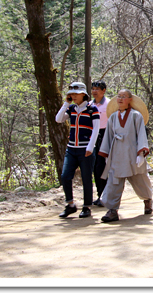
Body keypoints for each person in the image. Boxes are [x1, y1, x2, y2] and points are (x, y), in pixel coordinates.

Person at [98, 89, 153, 222]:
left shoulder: (136, 116)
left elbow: (141, 134)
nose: (120, 99)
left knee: (140, 180)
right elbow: (108, 137)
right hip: (117, 155)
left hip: (132, 154)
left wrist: (141, 154)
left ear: (129, 100)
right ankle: (112, 210)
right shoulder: (112, 118)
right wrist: (106, 156)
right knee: (113, 182)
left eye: (124, 97)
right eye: (119, 96)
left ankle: (147, 199)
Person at [56, 82, 100, 218]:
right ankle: (70, 204)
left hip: (85, 149)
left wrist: (90, 147)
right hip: (71, 149)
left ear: (83, 95)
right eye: (71, 94)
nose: (73, 97)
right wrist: (66, 104)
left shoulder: (92, 109)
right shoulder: (72, 109)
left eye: (76, 94)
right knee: (65, 176)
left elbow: (96, 129)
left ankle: (86, 207)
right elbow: (58, 119)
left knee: (86, 178)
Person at [90, 80, 110, 207]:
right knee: (95, 167)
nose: (94, 91)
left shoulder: (109, 105)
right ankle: (100, 195)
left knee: (103, 167)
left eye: (97, 89)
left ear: (103, 91)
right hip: (92, 137)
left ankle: (106, 195)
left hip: (105, 136)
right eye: (92, 89)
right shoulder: (89, 105)